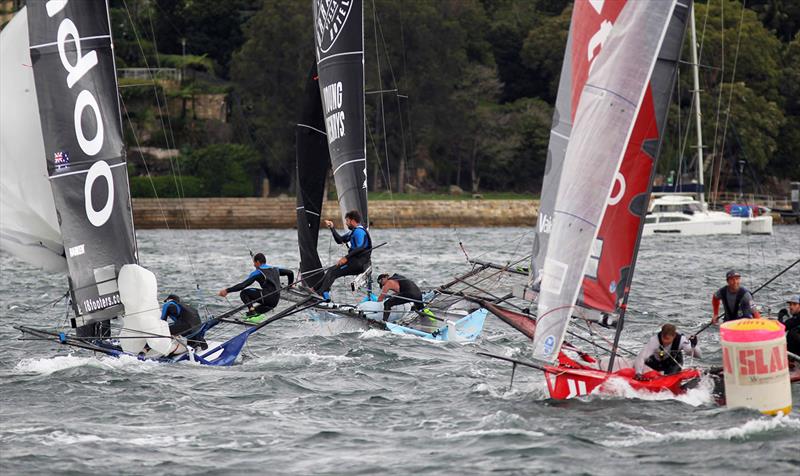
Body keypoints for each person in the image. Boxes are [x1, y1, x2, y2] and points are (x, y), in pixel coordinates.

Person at [315, 210, 372, 300]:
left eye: (347, 221)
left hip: (359, 263)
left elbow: (360, 247)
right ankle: (315, 289)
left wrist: (346, 257)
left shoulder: (359, 232)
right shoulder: (353, 232)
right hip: (354, 261)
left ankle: (322, 292)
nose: (346, 223)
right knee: (331, 270)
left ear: (353, 221)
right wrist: (332, 228)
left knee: (333, 272)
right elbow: (339, 240)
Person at [219, 253, 294, 316]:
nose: (254, 265)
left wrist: (227, 290)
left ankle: (251, 311)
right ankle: (252, 313)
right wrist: (290, 285)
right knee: (253, 313)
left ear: (257, 262)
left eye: (254, 263)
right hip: (275, 301)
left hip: (267, 298)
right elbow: (290, 273)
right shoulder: (275, 269)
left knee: (244, 293)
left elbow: (242, 285)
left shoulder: (258, 272)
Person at [634, 323, 701, 379]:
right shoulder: (654, 340)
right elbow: (641, 357)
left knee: (671, 374)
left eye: (667, 339)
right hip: (657, 362)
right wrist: (638, 373)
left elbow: (697, 355)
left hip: (673, 364)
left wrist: (693, 345)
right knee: (641, 365)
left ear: (674, 336)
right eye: (663, 338)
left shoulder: (681, 340)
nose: (665, 341)